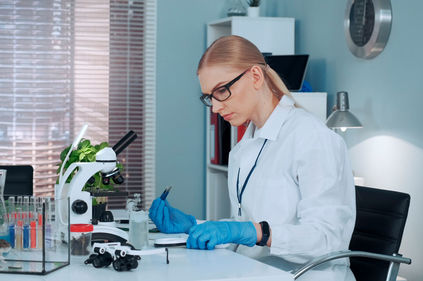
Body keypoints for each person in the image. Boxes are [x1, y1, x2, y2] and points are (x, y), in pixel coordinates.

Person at [149, 35, 356, 280]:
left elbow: (327, 238)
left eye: (222, 91)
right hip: (254, 271)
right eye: (209, 97)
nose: (215, 107)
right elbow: (245, 228)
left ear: (256, 76)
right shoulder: (245, 145)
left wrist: (254, 232)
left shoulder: (311, 137)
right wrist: (195, 225)